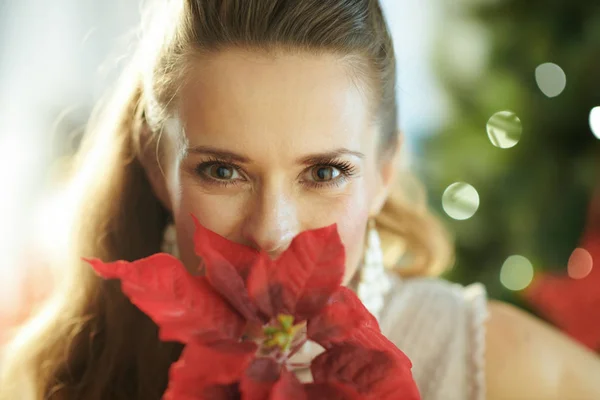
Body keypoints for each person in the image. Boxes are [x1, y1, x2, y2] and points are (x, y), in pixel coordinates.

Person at [1, 1, 599, 399]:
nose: (273, 232)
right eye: (222, 170)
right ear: (158, 168)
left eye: (325, 172)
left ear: (384, 173)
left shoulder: (499, 369)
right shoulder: (66, 372)